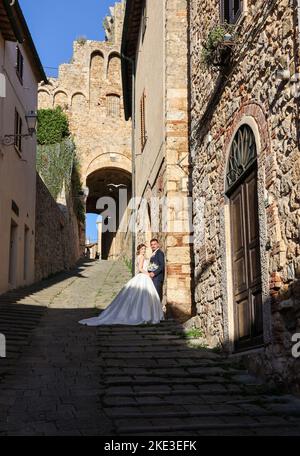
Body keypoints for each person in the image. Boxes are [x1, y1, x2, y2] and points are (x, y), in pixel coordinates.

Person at [79, 243, 164, 326]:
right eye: (142, 249)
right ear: (139, 250)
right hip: (143, 276)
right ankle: (144, 314)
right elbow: (140, 268)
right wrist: (148, 274)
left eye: (145, 249)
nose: (144, 250)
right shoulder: (141, 257)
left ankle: (141, 313)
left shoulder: (141, 257)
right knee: (143, 296)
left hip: (142, 277)